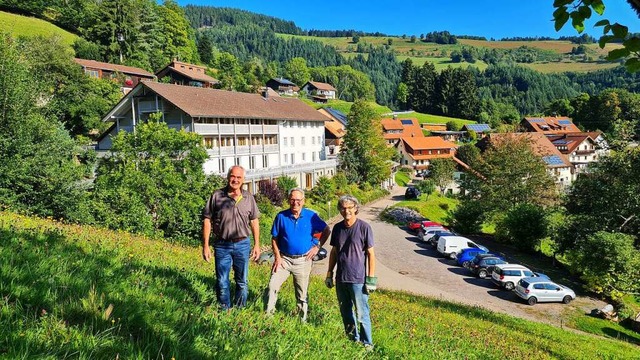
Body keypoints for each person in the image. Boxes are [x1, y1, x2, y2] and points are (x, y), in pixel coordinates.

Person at [266, 188, 331, 321]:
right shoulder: (281, 216)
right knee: (272, 286)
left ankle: (302, 320)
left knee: (301, 293)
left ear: (303, 201)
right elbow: (274, 239)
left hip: (303, 261)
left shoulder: (311, 216)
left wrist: (316, 246)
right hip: (284, 259)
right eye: (292, 199)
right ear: (289, 200)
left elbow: (326, 230)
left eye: (298, 200)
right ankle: (268, 316)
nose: (295, 202)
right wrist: (277, 258)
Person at [202, 165, 261, 309]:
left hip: (243, 244)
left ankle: (240, 310)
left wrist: (257, 245)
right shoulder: (217, 196)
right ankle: (225, 311)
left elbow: (254, 221)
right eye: (233, 176)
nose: (235, 180)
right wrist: (205, 246)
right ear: (228, 177)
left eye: (239, 177)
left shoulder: (248, 198)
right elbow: (206, 219)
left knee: (242, 281)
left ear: (243, 180)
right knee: (222, 281)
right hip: (222, 245)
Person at [325, 195, 377, 349]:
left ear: (355, 208)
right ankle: (352, 339)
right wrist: (329, 274)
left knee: (362, 314)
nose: (346, 211)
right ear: (340, 210)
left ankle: (367, 343)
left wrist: (371, 279)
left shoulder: (364, 227)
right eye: (343, 208)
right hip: (341, 278)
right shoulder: (337, 228)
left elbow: (370, 254)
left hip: (358, 279)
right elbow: (334, 252)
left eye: (349, 207)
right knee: (346, 312)